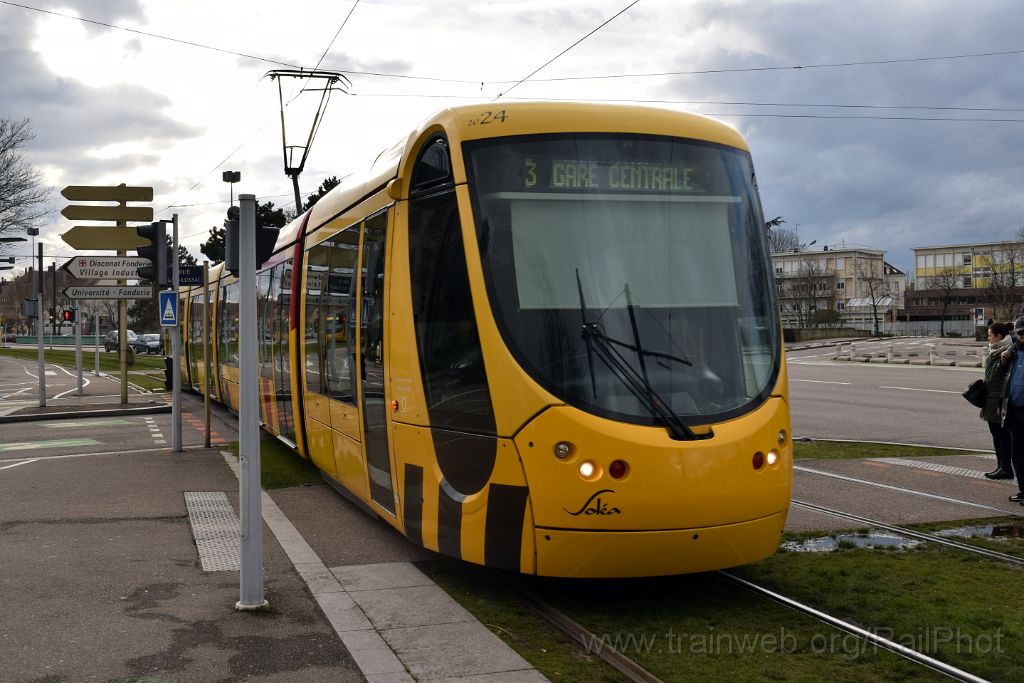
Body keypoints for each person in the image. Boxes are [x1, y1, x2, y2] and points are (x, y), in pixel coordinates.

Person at [981, 322, 1013, 478]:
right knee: (996, 434)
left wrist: (1001, 402)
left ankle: (1006, 468)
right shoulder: (995, 351)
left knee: (1003, 435)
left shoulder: (1007, 352)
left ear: (999, 336)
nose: (988, 338)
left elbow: (1005, 379)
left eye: (990, 335)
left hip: (999, 400)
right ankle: (1001, 466)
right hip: (990, 399)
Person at [998, 316, 1024, 504]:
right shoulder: (1012, 352)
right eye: (1020, 333)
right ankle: (1023, 490)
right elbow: (1004, 380)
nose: (1023, 336)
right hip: (1014, 410)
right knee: (1018, 454)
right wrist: (1004, 360)